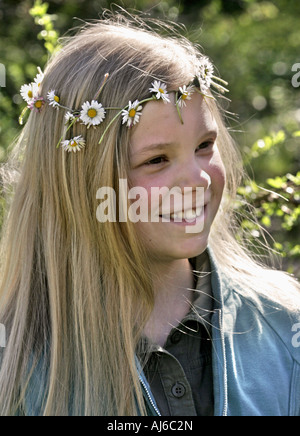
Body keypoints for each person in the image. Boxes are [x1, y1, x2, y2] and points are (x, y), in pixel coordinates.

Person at [0, 11, 299, 417]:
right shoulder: (17, 363)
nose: (196, 180)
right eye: (157, 160)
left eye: (205, 145)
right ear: (81, 184)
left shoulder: (283, 327)